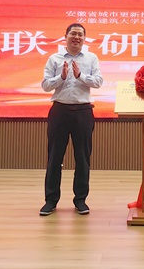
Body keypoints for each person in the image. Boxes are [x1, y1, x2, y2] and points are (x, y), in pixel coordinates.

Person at [39, 23, 103, 216]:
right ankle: (51, 200)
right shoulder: (54, 58)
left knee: (82, 158)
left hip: (83, 111)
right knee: (54, 157)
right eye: (73, 34)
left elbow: (98, 82)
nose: (76, 37)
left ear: (84, 38)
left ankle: (80, 200)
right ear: (65, 36)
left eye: (80, 35)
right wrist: (61, 77)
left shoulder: (91, 58)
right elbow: (45, 85)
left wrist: (80, 76)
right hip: (60, 111)